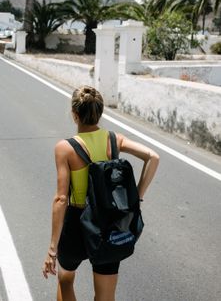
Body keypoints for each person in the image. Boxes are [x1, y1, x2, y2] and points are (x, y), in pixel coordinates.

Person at [42, 85, 159, 301]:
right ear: (100, 112)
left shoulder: (65, 148)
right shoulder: (114, 140)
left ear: (75, 115)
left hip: (76, 223)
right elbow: (153, 157)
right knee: (105, 296)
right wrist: (137, 198)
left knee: (66, 279)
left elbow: (60, 199)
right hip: (107, 224)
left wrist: (52, 248)